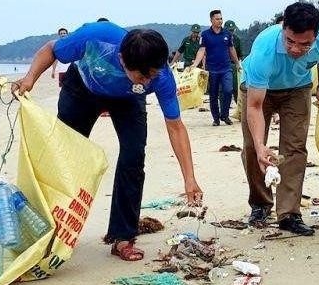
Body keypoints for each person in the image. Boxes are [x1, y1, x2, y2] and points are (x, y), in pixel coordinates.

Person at [12, 21, 203, 262]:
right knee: (65, 158)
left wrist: (189, 178)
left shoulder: (159, 75)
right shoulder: (95, 38)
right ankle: (52, 230)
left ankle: (123, 237)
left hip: (128, 98)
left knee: (133, 156)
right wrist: (30, 78)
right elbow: (51, 49)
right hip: (82, 89)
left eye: (152, 76)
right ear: (122, 60)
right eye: (143, 76)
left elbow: (175, 126)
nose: (148, 81)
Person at [240, 2, 319, 235]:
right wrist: (263, 146)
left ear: (316, 36)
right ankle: (260, 204)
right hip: (257, 90)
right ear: (283, 27)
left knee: (294, 148)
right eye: (290, 41)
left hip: (298, 88)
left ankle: (289, 213)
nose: (295, 49)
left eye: (305, 44)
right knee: (254, 148)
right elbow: (254, 106)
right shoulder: (264, 48)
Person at [191, 10, 241, 126]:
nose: (220, 21)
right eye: (217, 19)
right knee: (213, 95)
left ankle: (225, 115)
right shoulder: (205, 35)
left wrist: (237, 63)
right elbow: (202, 50)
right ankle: (216, 118)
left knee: (228, 90)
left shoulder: (227, 34)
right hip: (212, 69)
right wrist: (195, 64)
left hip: (226, 68)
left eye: (221, 19)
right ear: (211, 20)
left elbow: (231, 49)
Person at [224, 19, 244, 103]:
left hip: (234, 65)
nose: (231, 32)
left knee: (236, 87)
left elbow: (240, 54)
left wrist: (240, 65)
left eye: (232, 30)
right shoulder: (221, 38)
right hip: (223, 65)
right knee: (225, 88)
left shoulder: (237, 39)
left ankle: (237, 104)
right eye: (229, 30)